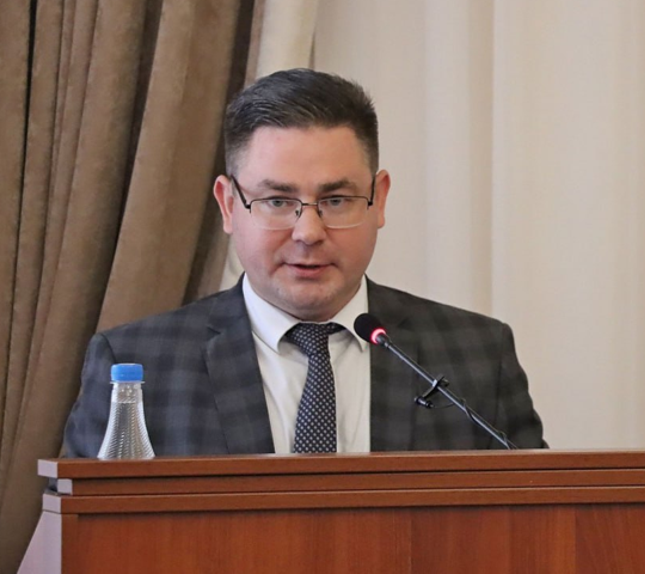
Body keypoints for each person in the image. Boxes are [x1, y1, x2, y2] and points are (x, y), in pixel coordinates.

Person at [62, 68, 545, 457]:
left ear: (378, 200)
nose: (308, 232)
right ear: (228, 205)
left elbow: (538, 525)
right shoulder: (136, 365)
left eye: (336, 200)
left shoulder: (477, 354)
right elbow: (80, 534)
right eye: (277, 201)